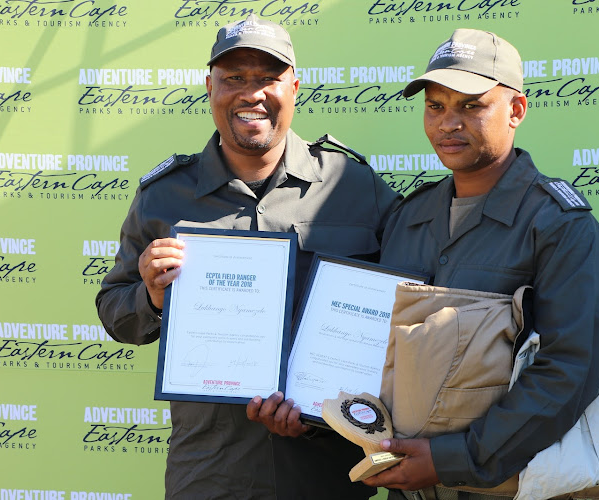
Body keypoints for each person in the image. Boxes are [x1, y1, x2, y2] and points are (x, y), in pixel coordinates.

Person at [95, 14, 400, 500]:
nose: (250, 93)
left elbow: (406, 309)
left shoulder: (353, 185)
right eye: (234, 78)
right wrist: (151, 295)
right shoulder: (164, 196)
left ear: (294, 86)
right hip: (211, 472)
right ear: (209, 87)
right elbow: (117, 315)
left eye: (267, 78)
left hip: (325, 470)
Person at [363, 29, 599, 499]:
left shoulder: (559, 226)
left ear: (516, 111)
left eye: (470, 105)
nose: (448, 123)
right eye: (436, 105)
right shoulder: (407, 218)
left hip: (509, 487)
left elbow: (571, 367)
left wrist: (455, 459)